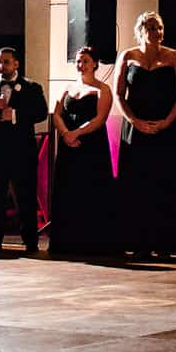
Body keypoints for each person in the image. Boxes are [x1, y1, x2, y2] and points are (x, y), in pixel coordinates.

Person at [115, 10, 176, 261]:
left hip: (166, 128)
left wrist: (166, 122)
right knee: (137, 186)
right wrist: (135, 121)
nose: (155, 32)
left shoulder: (175, 57)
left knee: (164, 185)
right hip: (136, 129)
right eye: (150, 28)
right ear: (141, 31)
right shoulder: (127, 56)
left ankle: (164, 243)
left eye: (158, 27)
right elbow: (118, 95)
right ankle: (139, 243)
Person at [47, 47, 118, 256]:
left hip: (91, 147)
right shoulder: (67, 87)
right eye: (78, 61)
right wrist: (66, 133)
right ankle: (67, 241)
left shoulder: (103, 89)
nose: (81, 65)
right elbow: (57, 113)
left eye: (85, 61)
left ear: (95, 64)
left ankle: (92, 242)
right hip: (70, 147)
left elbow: (100, 118)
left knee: (90, 191)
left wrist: (77, 132)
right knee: (69, 190)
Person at [0, 47, 44, 253]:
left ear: (16, 64)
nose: (1, 66)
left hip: (22, 150)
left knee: (25, 196)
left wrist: (15, 115)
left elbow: (40, 112)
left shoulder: (32, 87)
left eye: (6, 62)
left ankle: (30, 241)